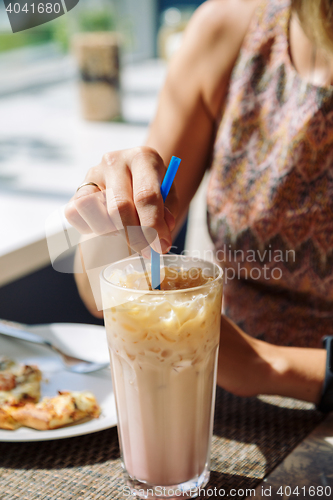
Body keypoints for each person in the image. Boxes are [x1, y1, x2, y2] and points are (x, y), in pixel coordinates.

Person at [65, 0, 333, 408]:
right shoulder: (228, 31)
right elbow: (100, 293)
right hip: (215, 394)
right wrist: (107, 211)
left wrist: (265, 365)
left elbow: (254, 364)